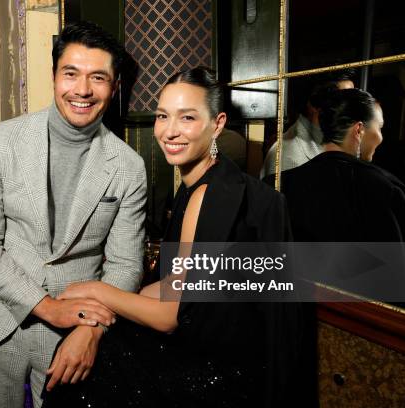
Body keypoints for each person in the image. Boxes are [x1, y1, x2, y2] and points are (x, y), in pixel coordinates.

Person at [43, 67, 306, 408]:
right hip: (211, 349)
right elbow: (180, 281)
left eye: (187, 118)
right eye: (163, 116)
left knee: (94, 369)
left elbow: (170, 316)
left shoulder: (212, 195)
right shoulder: (202, 182)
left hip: (220, 374)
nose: (169, 131)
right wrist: (106, 307)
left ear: (218, 124)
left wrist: (97, 290)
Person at [0, 21, 147, 408]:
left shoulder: (128, 166)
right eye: (71, 74)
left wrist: (92, 331)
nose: (82, 90)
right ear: (53, 76)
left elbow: (127, 265)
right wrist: (49, 308)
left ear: (113, 88)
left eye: (97, 77)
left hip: (76, 336)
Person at [278, 88, 405, 241]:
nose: (381, 137)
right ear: (359, 130)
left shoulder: (282, 184)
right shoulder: (387, 190)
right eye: (379, 128)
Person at [261, 70, 355, 178]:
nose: (352, 111)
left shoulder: (330, 141)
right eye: (344, 102)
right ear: (315, 105)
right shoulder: (289, 157)